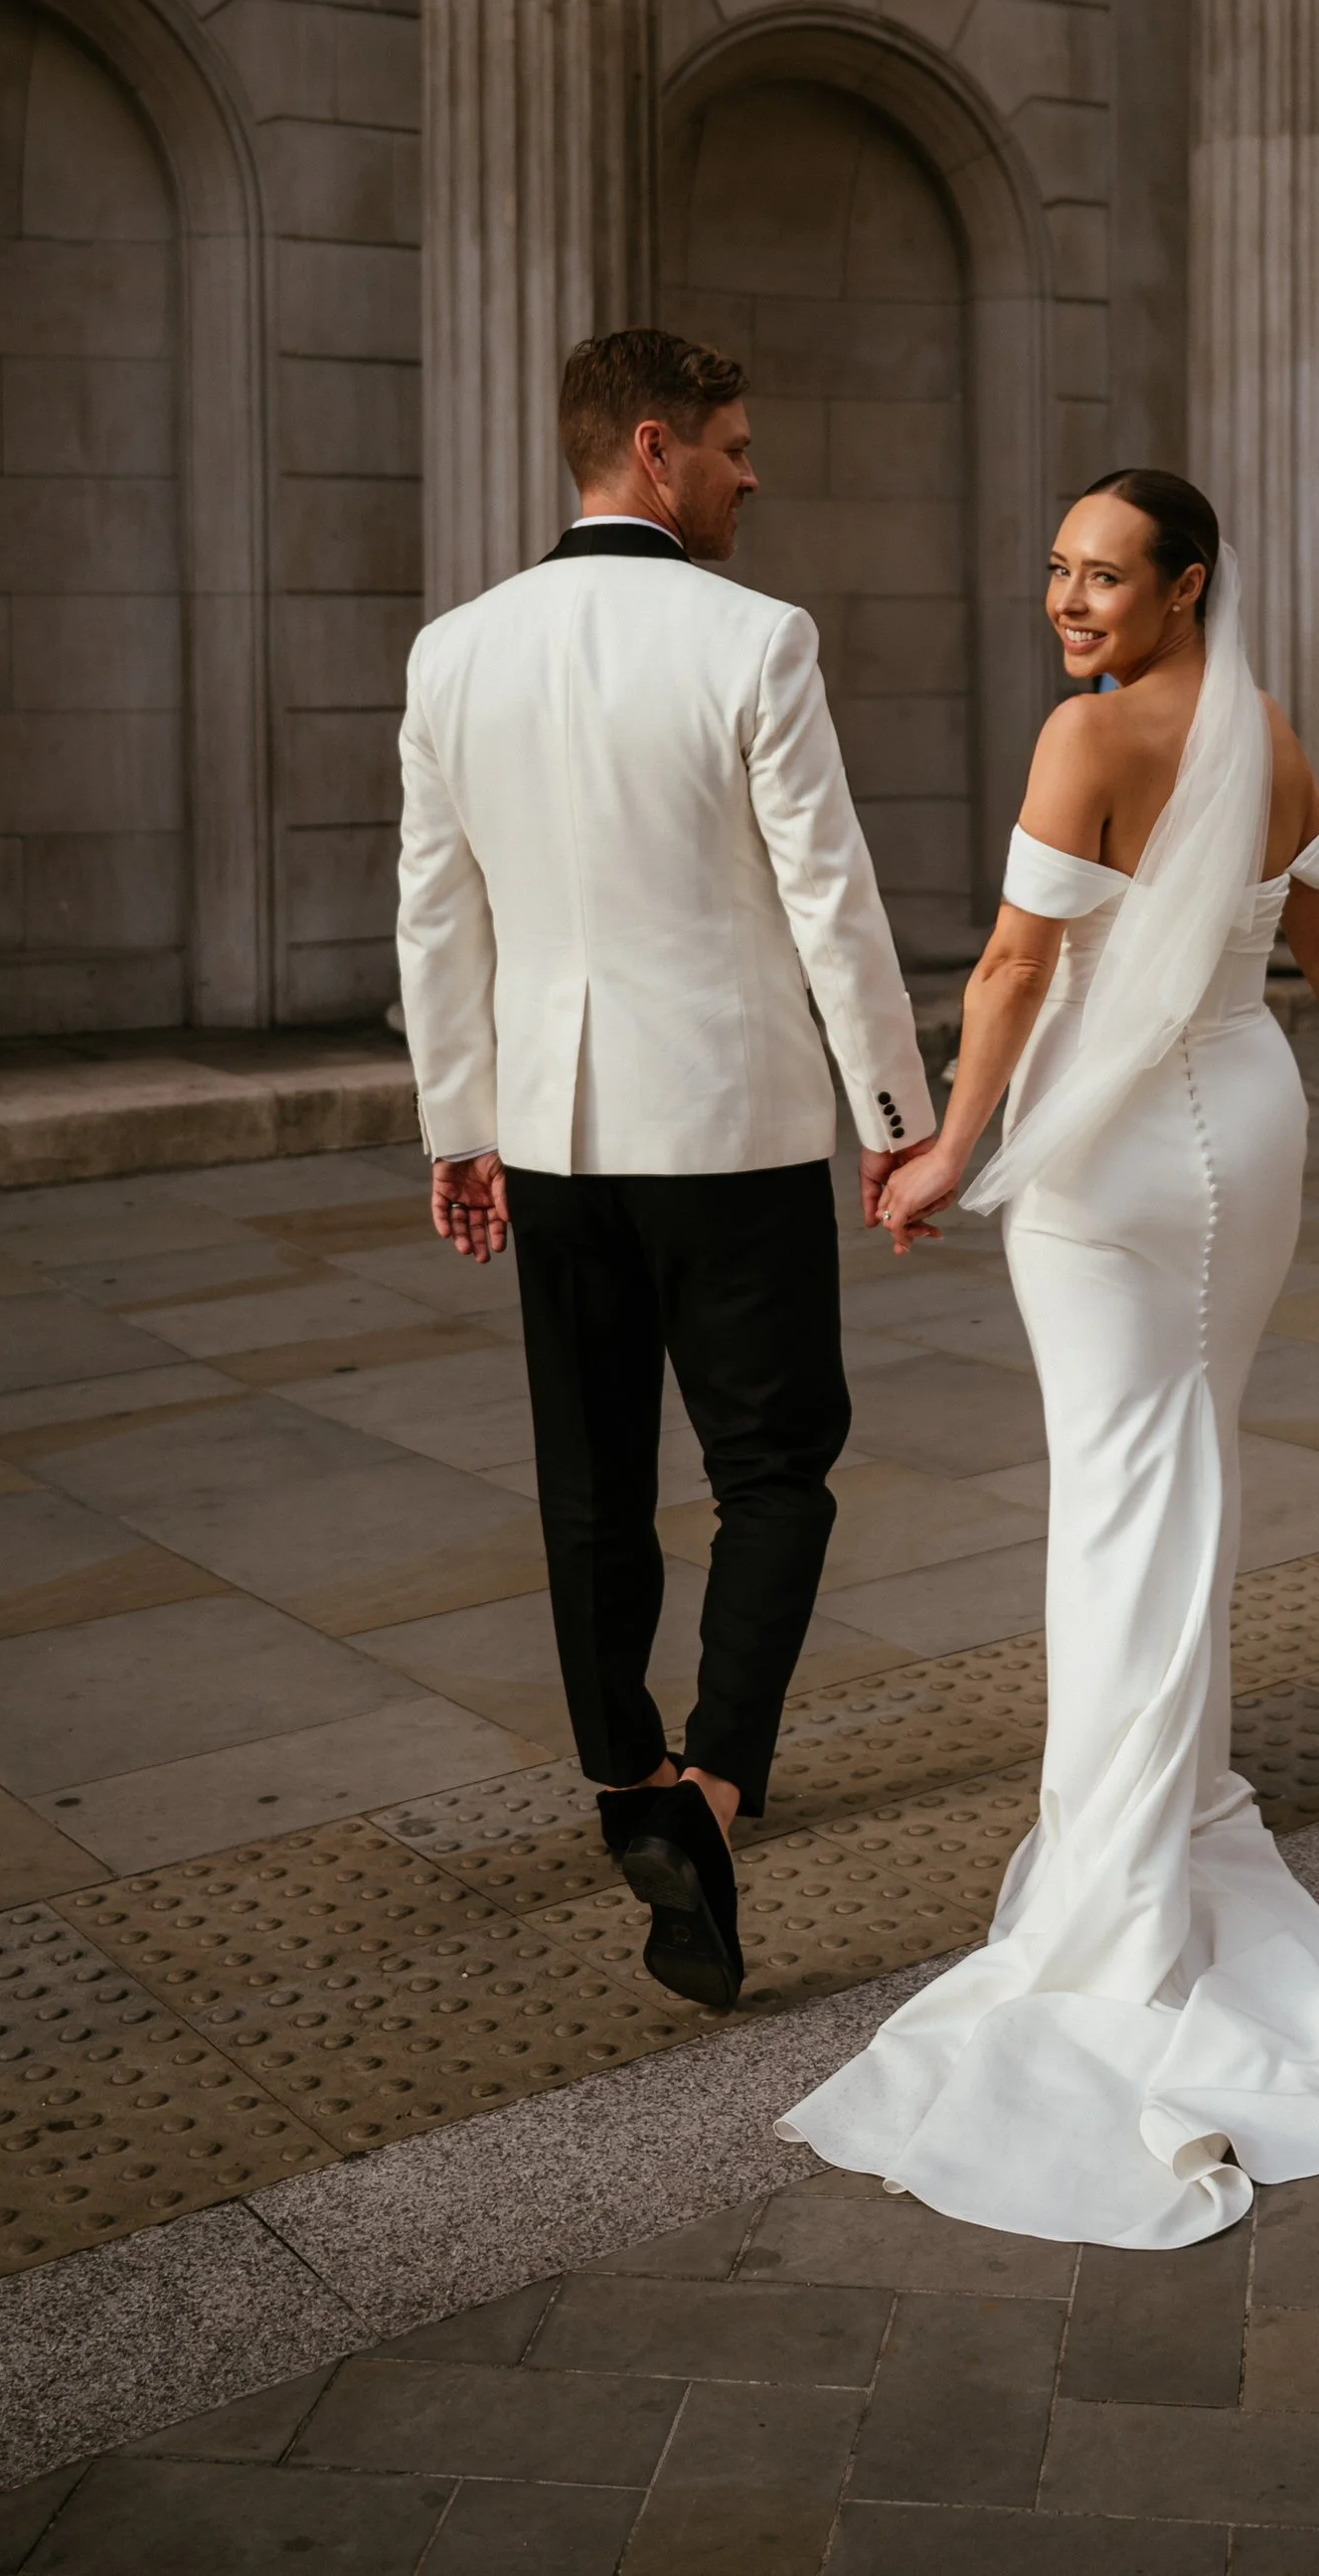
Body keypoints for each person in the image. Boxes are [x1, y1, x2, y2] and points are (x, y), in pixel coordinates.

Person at [782, 468, 1319, 2246]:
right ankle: (1163, 1811)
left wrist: (947, 1146)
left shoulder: (1088, 743)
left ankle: (1117, 1892)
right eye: (1056, 571)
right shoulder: (1268, 729)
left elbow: (1009, 963)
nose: (1069, 604)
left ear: (1188, 581)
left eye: (1103, 575)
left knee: (1116, 1497)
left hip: (1118, 1157)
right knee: (1191, 1470)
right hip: (1252, 1117)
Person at [396, 329, 935, 2017]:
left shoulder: (453, 652)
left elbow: (435, 908)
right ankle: (708, 1786)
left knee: (589, 1472)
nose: (751, 473)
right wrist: (898, 1116)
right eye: (734, 444)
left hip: (552, 1137)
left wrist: (457, 1124)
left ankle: (626, 1777)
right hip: (734, 1124)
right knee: (777, 1463)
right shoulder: (755, 638)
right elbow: (827, 895)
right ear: (653, 448)